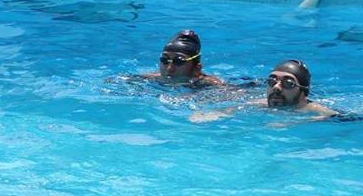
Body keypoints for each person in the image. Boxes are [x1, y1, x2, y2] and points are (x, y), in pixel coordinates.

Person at [191, 59, 338, 122]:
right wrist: (216, 113)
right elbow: (234, 109)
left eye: (288, 83)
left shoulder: (313, 109)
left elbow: (342, 118)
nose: (276, 87)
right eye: (272, 81)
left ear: (303, 92)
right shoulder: (261, 103)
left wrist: (298, 122)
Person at [142, 30, 227, 86]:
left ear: (197, 68)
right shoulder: (151, 79)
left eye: (179, 61)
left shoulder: (211, 85)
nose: (169, 68)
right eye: (164, 60)